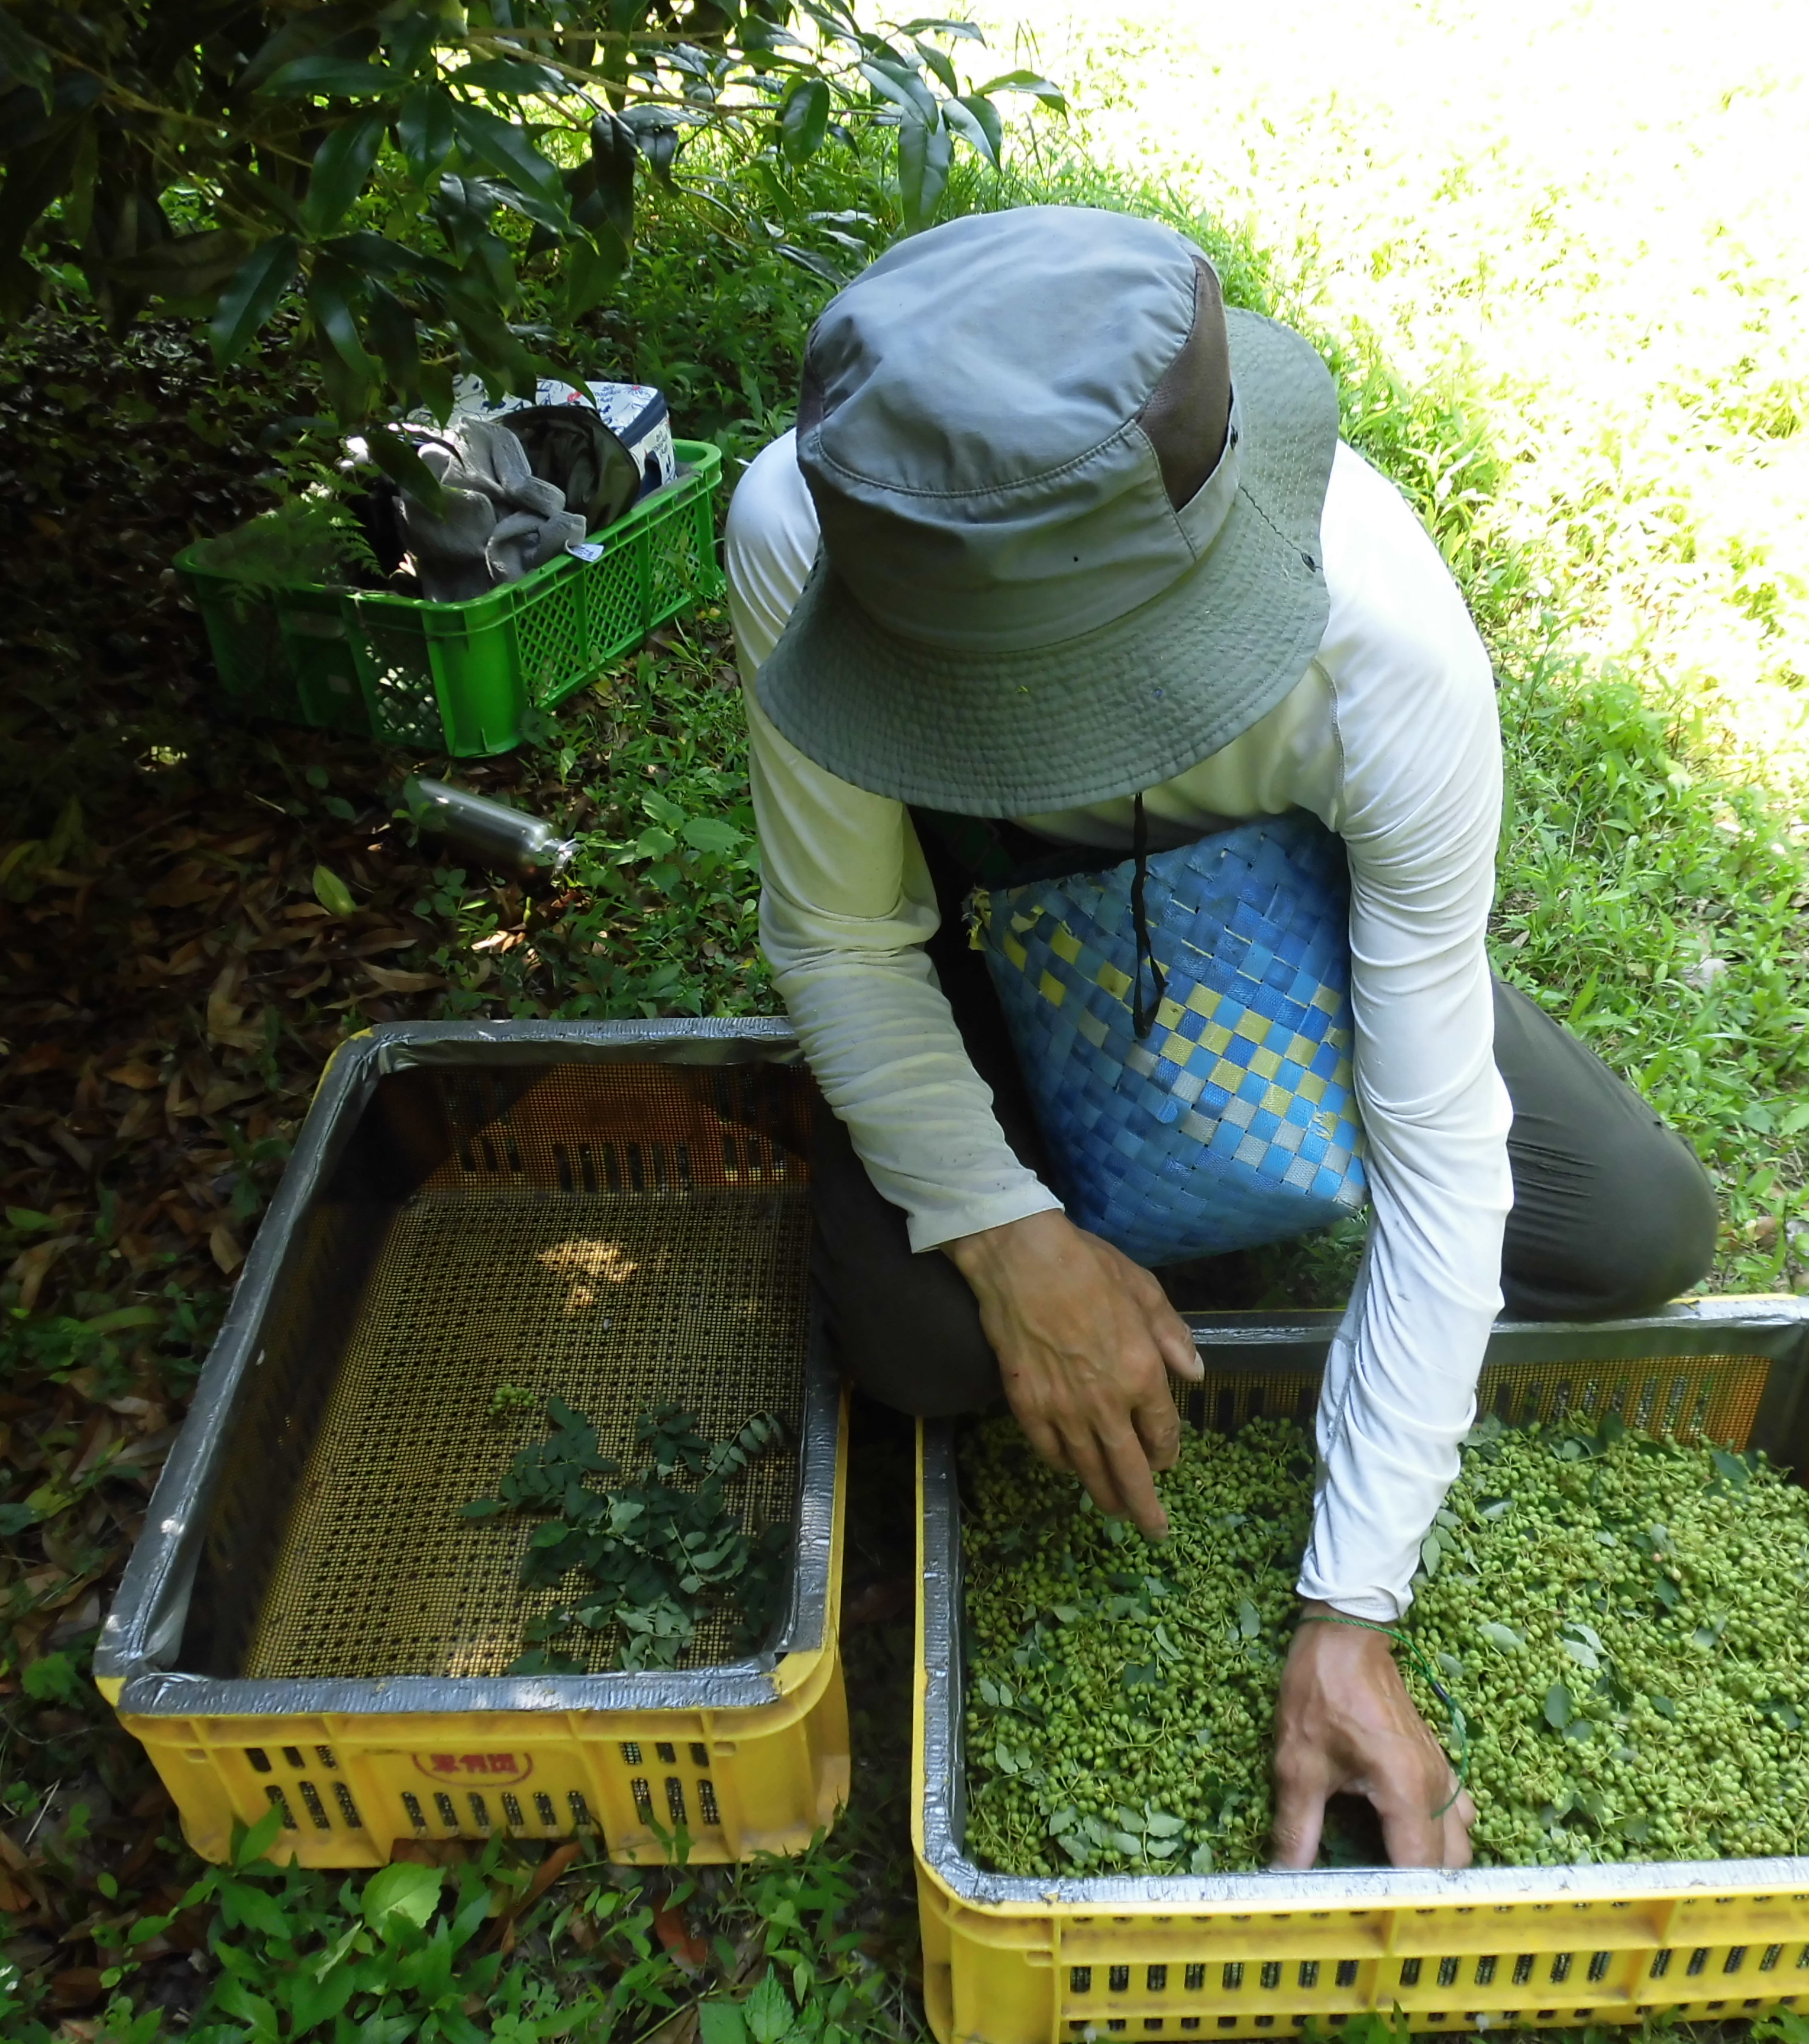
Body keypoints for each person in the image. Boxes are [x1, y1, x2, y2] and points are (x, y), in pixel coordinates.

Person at [726, 205, 1718, 1870]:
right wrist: (1005, 1233)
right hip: (983, 910)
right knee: (925, 1347)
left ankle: (1187, 1237)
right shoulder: (807, 536)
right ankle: (1085, 1227)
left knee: (1630, 1228)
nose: (1041, 734)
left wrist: (1351, 1602)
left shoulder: (1381, 643)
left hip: (1289, 909)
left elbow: (1439, 1134)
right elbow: (842, 931)